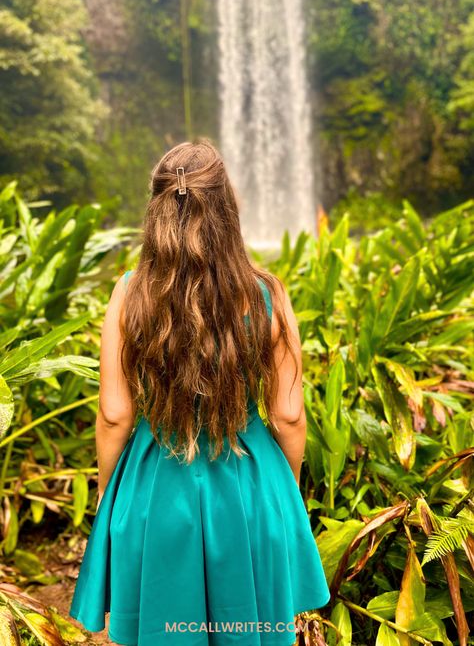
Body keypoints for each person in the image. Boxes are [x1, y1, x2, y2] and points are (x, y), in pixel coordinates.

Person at [69, 138, 330, 646]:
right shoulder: (267, 293)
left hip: (155, 486)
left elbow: (115, 414)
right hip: (249, 484)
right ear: (227, 209)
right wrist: (283, 490)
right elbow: (288, 417)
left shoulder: (128, 293)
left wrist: (109, 494)